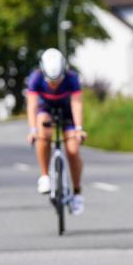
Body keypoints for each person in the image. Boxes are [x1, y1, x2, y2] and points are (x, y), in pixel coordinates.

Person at [25, 48, 87, 215]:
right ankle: (44, 176)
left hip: (67, 111)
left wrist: (79, 129)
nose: (55, 84)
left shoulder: (72, 78)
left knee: (73, 150)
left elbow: (76, 104)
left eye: (58, 80)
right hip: (46, 108)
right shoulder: (36, 78)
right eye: (51, 81)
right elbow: (31, 105)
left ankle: (77, 193)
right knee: (43, 133)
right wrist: (32, 130)